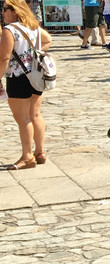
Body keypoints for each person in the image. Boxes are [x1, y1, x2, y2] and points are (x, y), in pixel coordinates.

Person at [0, 0, 50, 171]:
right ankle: (40, 151)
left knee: (23, 120)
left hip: (17, 76)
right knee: (35, 114)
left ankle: (27, 156)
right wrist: (35, 54)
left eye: (5, 9)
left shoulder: (10, 30)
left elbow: (4, 58)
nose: (3, 12)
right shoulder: (33, 26)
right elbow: (48, 40)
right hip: (35, 75)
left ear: (14, 11)